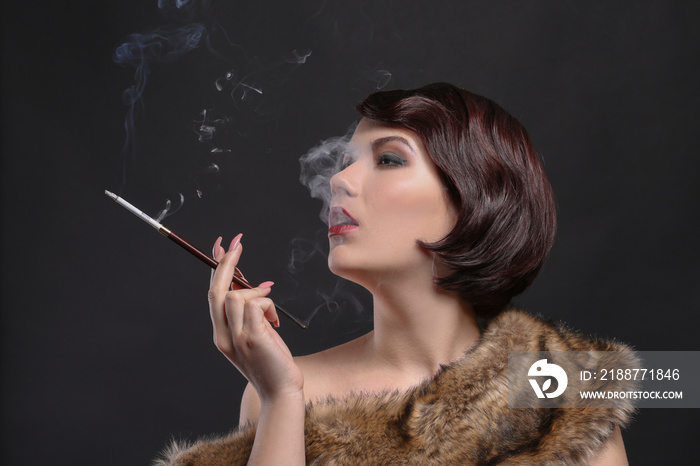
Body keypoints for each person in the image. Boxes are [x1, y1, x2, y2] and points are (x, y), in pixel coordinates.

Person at [155, 83, 635, 465]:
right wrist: (280, 399)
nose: (339, 180)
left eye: (388, 159)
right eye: (345, 163)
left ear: (474, 197)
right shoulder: (290, 389)